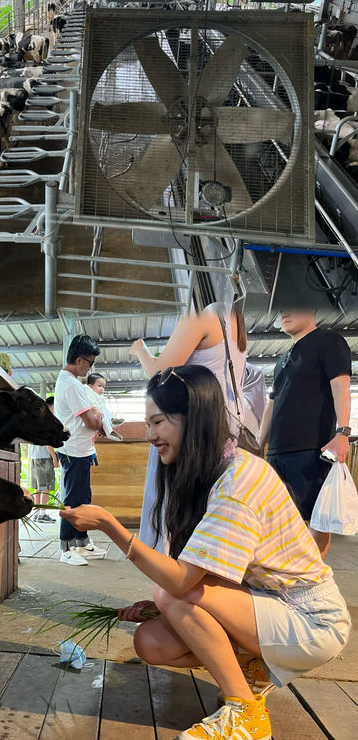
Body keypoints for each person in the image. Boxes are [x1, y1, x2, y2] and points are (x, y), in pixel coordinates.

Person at [61, 364, 350, 740]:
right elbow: (204, 574)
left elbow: (182, 581)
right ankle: (252, 669)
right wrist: (158, 608)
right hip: (269, 603)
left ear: (192, 417)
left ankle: (246, 713)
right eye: (147, 425)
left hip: (311, 619)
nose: (150, 436)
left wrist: (109, 526)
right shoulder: (209, 473)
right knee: (150, 640)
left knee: (171, 592)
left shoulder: (239, 480)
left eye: (158, 422)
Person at [130, 301, 247, 551]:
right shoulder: (235, 317)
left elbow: (158, 375)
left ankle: (174, 570)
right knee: (205, 505)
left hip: (190, 420)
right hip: (222, 421)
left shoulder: (202, 313)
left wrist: (140, 350)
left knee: (177, 503)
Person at [258, 309, 352, 559]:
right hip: (277, 453)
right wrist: (259, 443)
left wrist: (342, 431)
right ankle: (289, 575)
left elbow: (341, 387)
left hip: (312, 450)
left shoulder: (329, 341)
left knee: (314, 518)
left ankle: (312, 578)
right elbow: (272, 403)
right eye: (281, 309)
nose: (284, 312)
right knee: (280, 519)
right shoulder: (282, 360)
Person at [53, 334, 107, 566]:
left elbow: (91, 419)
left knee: (83, 499)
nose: (90, 367)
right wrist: (99, 423)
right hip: (73, 451)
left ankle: (81, 542)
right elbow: (89, 421)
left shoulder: (71, 382)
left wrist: (98, 421)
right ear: (79, 359)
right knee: (73, 501)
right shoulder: (71, 384)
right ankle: (66, 547)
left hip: (80, 450)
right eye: (90, 362)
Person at [27, 396, 59, 522]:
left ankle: (37, 512)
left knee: (39, 486)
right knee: (46, 486)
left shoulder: (36, 419)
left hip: (35, 456)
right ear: (51, 407)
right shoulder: (47, 420)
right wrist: (55, 459)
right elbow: (48, 442)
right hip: (44, 457)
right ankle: (42, 513)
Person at [86, 373, 123, 441]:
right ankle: (109, 432)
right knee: (103, 415)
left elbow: (103, 407)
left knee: (105, 412)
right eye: (99, 386)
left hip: (99, 413)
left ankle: (112, 421)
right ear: (90, 386)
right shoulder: (88, 393)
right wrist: (95, 409)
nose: (102, 389)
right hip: (92, 413)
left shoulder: (100, 396)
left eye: (103, 387)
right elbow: (91, 402)